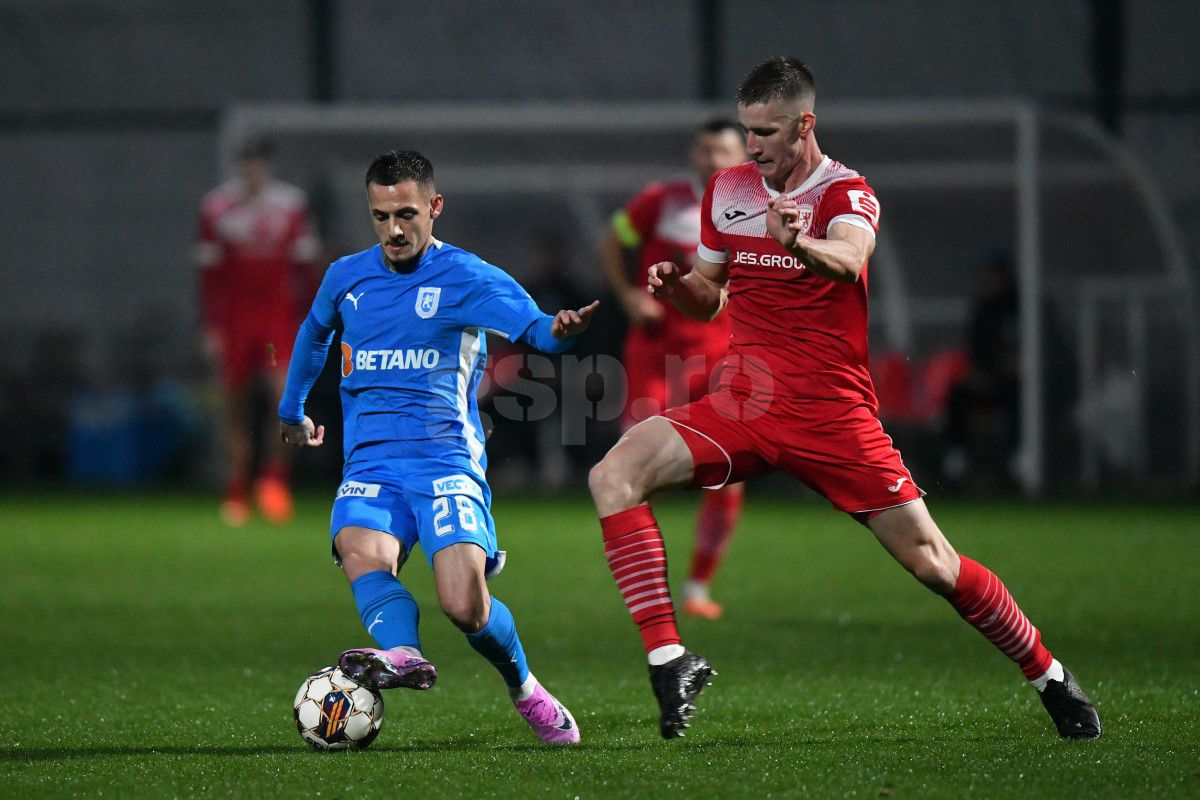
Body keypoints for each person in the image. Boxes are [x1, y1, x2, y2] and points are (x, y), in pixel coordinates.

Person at [587, 57, 1101, 741]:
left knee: (934, 564)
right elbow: (710, 298)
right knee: (613, 474)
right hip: (743, 401)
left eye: (766, 131)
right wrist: (675, 282)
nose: (753, 146)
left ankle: (1049, 675)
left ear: (805, 124)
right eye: (746, 130)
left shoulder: (846, 192)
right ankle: (669, 659)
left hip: (832, 416)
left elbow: (852, 259)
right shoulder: (729, 189)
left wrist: (800, 243)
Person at [278, 150, 596, 744]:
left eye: (406, 214)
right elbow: (312, 333)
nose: (394, 230)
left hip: (446, 463)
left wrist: (559, 331)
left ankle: (526, 688)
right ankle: (402, 653)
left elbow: (532, 326)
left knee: (465, 607)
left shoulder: (467, 277)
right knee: (361, 553)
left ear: (434, 207)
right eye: (380, 217)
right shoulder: (347, 277)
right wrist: (291, 411)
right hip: (371, 463)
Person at [598, 119, 749, 619]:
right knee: (634, 469)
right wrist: (628, 295)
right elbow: (611, 242)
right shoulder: (660, 200)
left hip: (721, 358)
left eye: (721, 150)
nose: (710, 159)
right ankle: (642, 584)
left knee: (729, 475)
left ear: (742, 154)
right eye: (704, 149)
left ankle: (698, 588)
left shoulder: (756, 207)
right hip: (657, 353)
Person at [196, 139, 319, 525]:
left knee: (285, 399)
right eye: (247, 166)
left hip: (276, 320)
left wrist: (308, 320)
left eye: (259, 166)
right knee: (236, 407)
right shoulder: (216, 208)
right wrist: (212, 327)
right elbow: (209, 275)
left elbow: (306, 269)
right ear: (238, 168)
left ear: (268, 167)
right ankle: (235, 490)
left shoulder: (290, 206)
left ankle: (273, 481)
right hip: (235, 322)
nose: (253, 174)